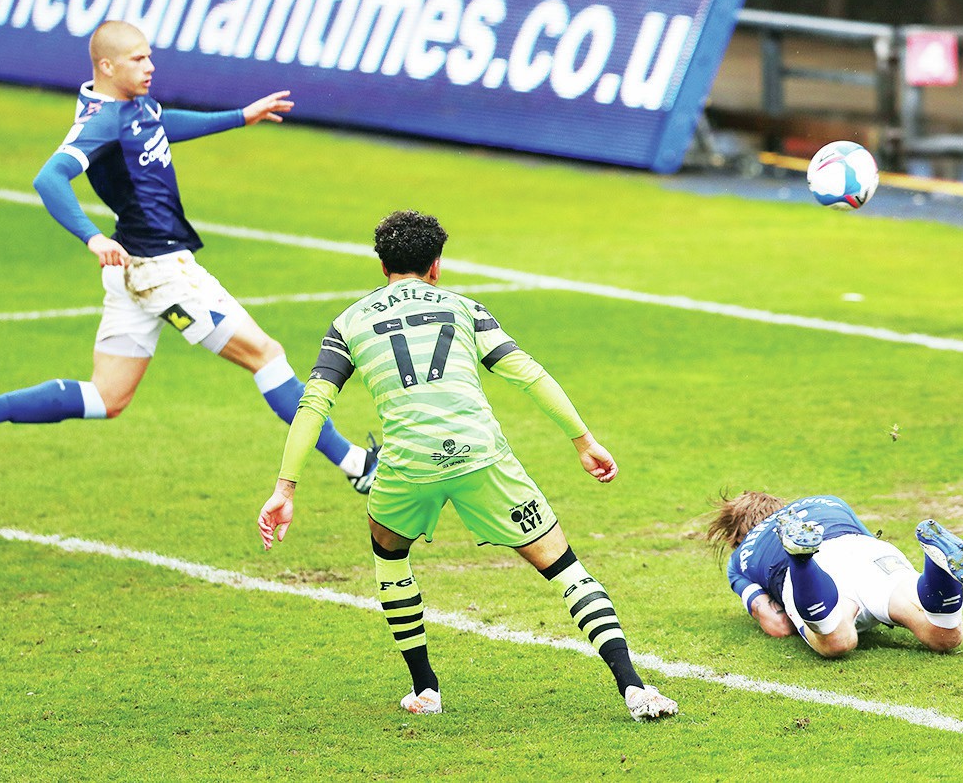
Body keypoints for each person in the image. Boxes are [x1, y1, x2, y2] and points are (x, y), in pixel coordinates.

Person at [257, 209, 678, 722]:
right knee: (565, 567)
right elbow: (528, 373)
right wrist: (583, 440)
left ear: (382, 265)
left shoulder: (348, 323)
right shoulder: (464, 308)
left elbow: (314, 403)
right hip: (481, 456)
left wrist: (285, 488)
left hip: (408, 465)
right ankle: (634, 688)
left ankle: (425, 690)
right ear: (436, 265)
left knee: (390, 554)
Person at [0, 20, 377, 492]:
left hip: (135, 271)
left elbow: (160, 126)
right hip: (162, 274)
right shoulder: (101, 120)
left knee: (107, 397)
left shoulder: (135, 104)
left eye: (149, 56)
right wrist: (92, 238)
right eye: (138, 59)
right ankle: (357, 466)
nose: (150, 66)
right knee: (266, 355)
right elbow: (49, 178)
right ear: (107, 66)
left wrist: (239, 116)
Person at [706, 491, 963, 657]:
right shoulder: (828, 502)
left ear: (736, 535)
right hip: (867, 552)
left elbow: (778, 625)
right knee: (944, 636)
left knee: (837, 640)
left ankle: (801, 562)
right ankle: (937, 566)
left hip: (822, 568)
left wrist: (793, 610)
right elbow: (865, 546)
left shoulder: (740, 557)